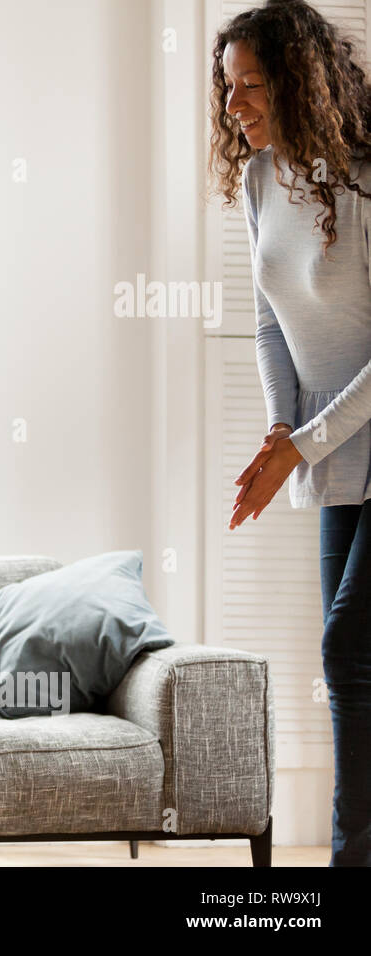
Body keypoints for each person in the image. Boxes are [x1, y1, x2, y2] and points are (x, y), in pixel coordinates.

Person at [214, 0, 371, 865]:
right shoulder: (260, 180)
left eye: (254, 85)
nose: (235, 106)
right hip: (337, 455)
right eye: (228, 88)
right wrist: (283, 429)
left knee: (349, 649)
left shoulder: (365, 178)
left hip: (333, 445)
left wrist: (297, 448)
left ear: (303, 81)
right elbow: (271, 323)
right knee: (353, 666)